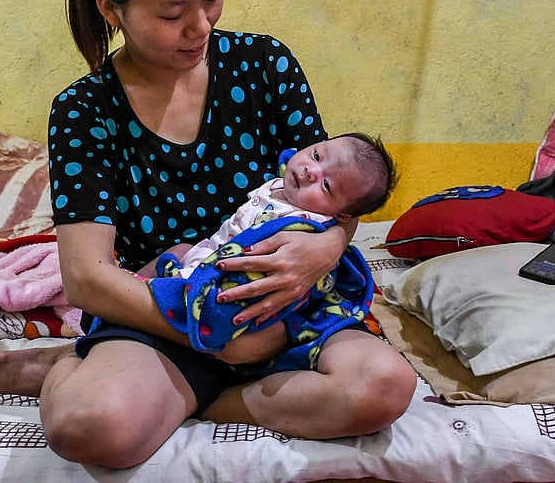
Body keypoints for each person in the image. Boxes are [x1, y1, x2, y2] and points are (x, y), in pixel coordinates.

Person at [0, 0, 416, 468]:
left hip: (289, 308)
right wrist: (211, 333)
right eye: (174, 12)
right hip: (166, 312)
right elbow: (87, 278)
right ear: (111, 9)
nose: (200, 26)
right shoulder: (85, 110)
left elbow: (336, 195)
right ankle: (75, 363)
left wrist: (322, 253)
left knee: (383, 388)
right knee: (89, 428)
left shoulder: (264, 67)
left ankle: (202, 399)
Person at [141, 132, 397, 372]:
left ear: (341, 215)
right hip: (210, 251)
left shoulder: (302, 227)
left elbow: (270, 277)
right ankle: (126, 283)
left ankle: (161, 303)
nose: (310, 171)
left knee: (174, 286)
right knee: (179, 250)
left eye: (327, 185)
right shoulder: (284, 183)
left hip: (226, 280)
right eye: (317, 156)